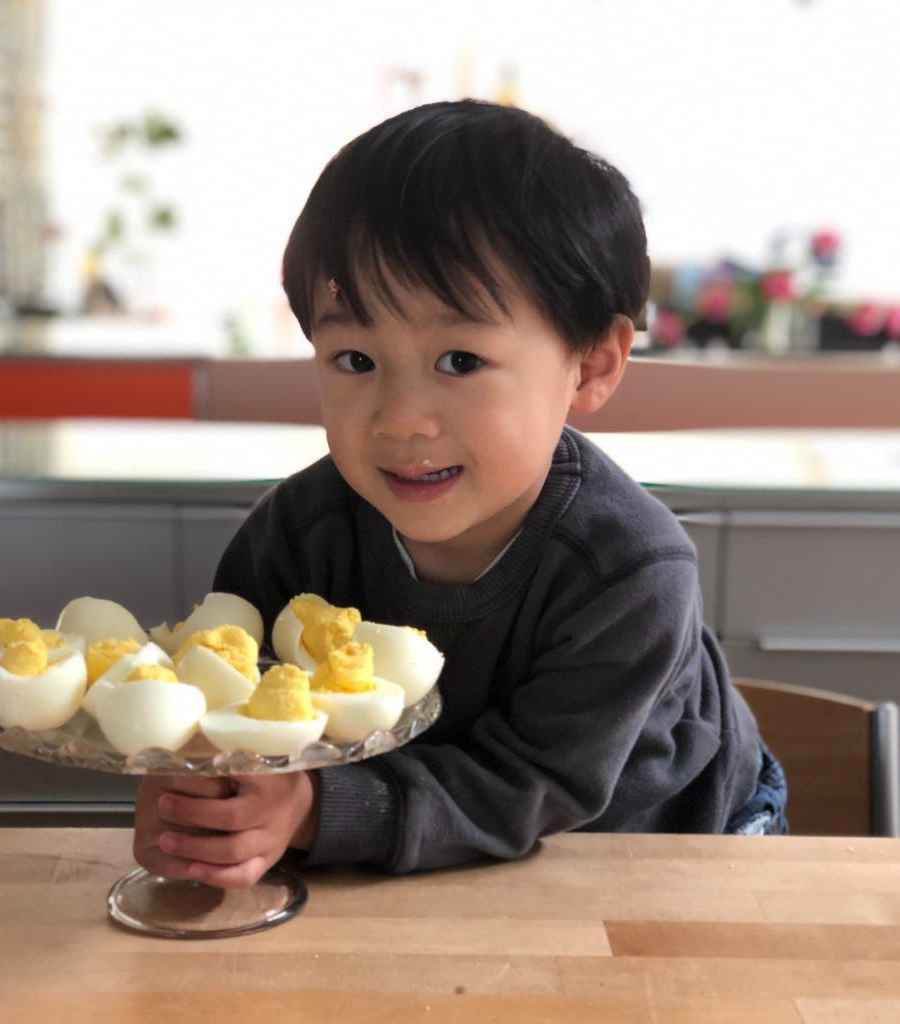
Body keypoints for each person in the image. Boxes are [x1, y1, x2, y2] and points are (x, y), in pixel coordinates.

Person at [133, 100, 785, 889]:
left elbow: (534, 787)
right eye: (354, 360)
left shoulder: (629, 571)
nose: (402, 422)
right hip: (420, 847)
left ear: (592, 364)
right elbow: (243, 720)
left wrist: (312, 811)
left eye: (461, 362)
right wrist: (214, 803)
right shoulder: (296, 537)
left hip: (659, 844)